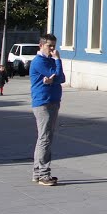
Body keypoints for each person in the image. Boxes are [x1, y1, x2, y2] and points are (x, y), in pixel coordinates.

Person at [30, 34, 65, 186]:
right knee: (45, 138)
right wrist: (58, 60)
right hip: (44, 103)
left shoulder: (49, 60)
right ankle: (44, 174)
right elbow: (57, 74)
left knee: (43, 138)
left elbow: (61, 77)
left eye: (53, 46)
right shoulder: (39, 61)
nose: (52, 49)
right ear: (41, 45)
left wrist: (55, 72)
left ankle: (37, 173)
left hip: (52, 101)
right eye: (49, 45)